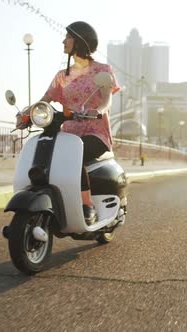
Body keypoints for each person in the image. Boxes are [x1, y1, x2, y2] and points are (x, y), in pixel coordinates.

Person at [38, 21, 120, 225]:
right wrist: (28, 113)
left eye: (68, 37)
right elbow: (44, 100)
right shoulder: (62, 76)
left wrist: (99, 111)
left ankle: (87, 204)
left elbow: (106, 98)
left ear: (80, 41)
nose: (63, 41)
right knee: (47, 154)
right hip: (69, 134)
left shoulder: (102, 70)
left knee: (76, 155)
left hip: (96, 133)